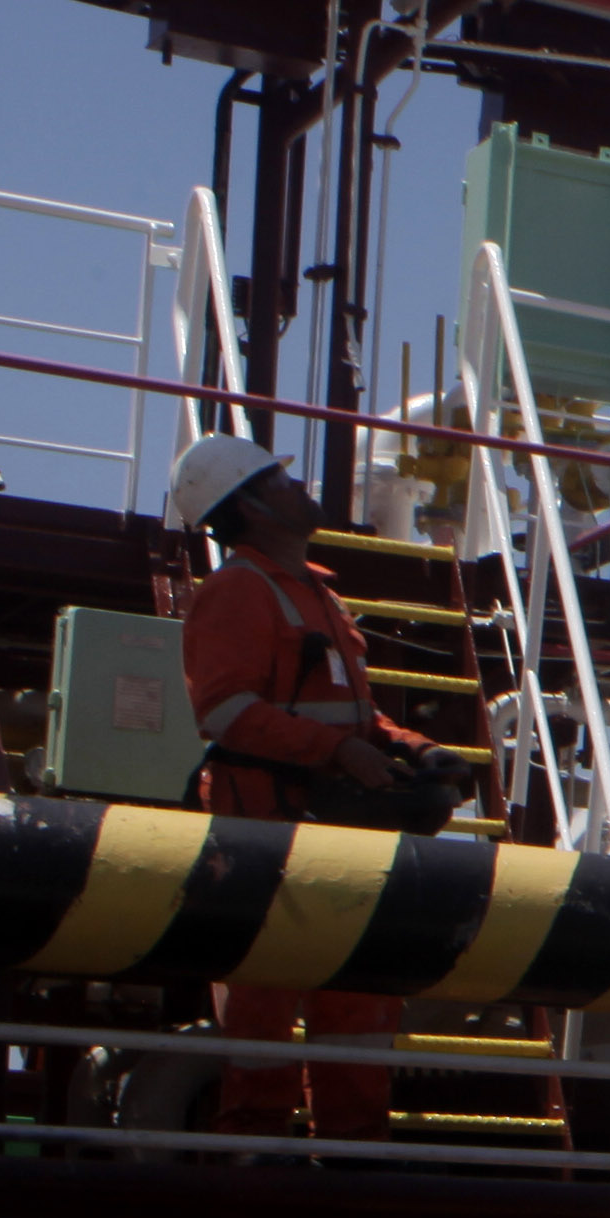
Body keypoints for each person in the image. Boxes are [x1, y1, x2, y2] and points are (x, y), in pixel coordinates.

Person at [169, 431, 466, 1141]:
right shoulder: (239, 589)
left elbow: (348, 711)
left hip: (336, 828)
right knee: (267, 991)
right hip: (270, 824)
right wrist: (336, 752)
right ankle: (256, 1151)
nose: (299, 487)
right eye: (280, 479)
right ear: (252, 506)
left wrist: (414, 747)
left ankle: (354, 1151)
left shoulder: (312, 591)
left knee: (359, 994)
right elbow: (225, 712)